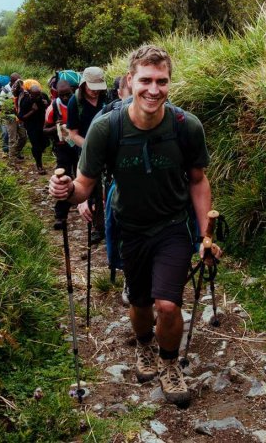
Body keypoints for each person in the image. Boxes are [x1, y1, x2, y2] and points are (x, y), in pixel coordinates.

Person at [48, 45, 221, 405]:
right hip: (130, 226)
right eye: (146, 80)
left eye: (162, 81)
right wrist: (65, 192)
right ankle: (144, 345)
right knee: (140, 302)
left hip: (173, 226)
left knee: (169, 305)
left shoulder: (186, 127)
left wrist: (205, 233)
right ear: (130, 81)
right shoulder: (106, 128)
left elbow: (198, 180)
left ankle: (169, 363)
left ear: (170, 82)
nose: (153, 90)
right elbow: (84, 187)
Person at [67, 66, 109, 241]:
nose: (95, 92)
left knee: (108, 189)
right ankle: (98, 227)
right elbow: (73, 134)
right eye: (92, 88)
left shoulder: (107, 98)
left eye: (98, 88)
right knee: (92, 190)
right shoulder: (74, 102)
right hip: (87, 151)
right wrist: (92, 146)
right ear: (83, 84)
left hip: (109, 150)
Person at [44, 79, 77, 229]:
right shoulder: (53, 107)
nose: (65, 98)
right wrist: (57, 127)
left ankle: (85, 204)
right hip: (62, 147)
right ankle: (60, 216)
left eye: (68, 94)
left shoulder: (79, 102)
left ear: (72, 90)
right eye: (62, 95)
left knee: (82, 175)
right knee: (63, 177)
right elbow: (44, 129)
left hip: (79, 145)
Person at [18, 82, 49, 174]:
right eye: (35, 95)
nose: (38, 97)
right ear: (30, 94)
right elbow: (21, 117)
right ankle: (39, 166)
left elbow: (51, 106)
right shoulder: (26, 100)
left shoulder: (43, 96)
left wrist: (47, 103)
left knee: (45, 143)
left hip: (43, 124)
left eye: (39, 94)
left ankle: (39, 151)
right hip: (31, 126)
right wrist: (32, 111)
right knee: (36, 146)